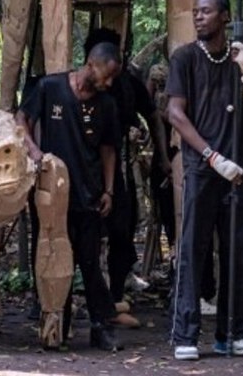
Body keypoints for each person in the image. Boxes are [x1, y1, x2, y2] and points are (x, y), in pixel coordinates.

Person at [165, 0, 243, 361]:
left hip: (241, 170)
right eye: (196, 12)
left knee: (238, 252)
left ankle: (235, 333)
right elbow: (175, 113)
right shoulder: (186, 58)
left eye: (206, 12)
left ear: (225, 16)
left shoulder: (242, 57)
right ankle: (185, 334)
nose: (199, 17)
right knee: (194, 250)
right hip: (203, 169)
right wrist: (210, 156)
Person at [16, 41, 124, 352]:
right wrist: (35, 152)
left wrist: (109, 190)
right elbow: (22, 119)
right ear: (92, 64)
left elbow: (108, 149)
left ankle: (100, 327)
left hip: (88, 193)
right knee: (51, 259)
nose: (109, 82)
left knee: (89, 263)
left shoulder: (107, 104)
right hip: (51, 194)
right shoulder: (51, 87)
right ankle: (55, 325)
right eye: (108, 74)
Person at [84, 28, 169, 328]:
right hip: (82, 172)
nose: (107, 82)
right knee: (86, 238)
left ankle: (115, 295)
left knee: (121, 231)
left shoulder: (126, 85)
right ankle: (85, 299)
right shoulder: (71, 88)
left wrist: (162, 154)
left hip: (117, 169)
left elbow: (151, 116)